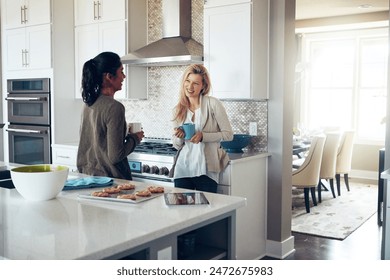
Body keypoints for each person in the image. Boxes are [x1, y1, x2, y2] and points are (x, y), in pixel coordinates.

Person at [77, 51, 144, 180]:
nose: (124, 76)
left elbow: (97, 143)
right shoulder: (115, 107)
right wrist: (135, 138)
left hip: (87, 177)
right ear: (109, 76)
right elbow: (115, 156)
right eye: (121, 71)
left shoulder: (87, 104)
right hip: (111, 181)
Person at [171, 64, 233, 193]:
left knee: (207, 211)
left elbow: (228, 135)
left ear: (203, 86)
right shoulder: (178, 110)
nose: (190, 87)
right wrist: (179, 137)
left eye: (195, 83)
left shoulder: (213, 104)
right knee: (182, 211)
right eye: (187, 81)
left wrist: (203, 136)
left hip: (206, 170)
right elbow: (177, 145)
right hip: (183, 169)